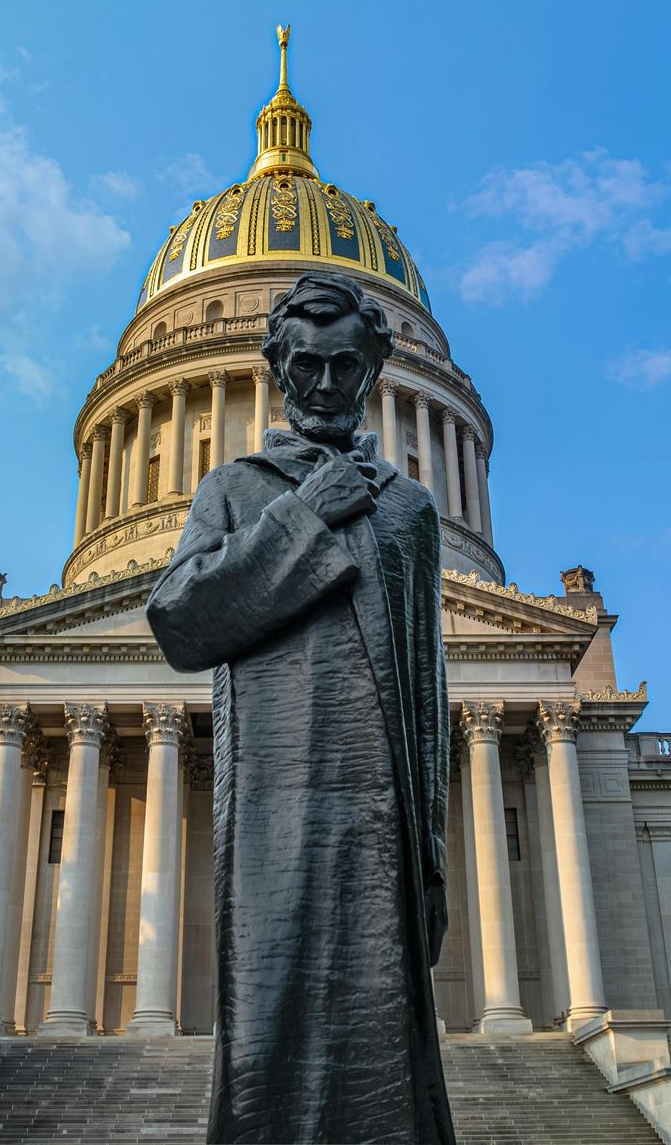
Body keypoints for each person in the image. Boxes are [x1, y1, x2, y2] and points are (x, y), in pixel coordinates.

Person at [147, 271, 456, 1145]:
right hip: (275, 801)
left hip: (380, 816)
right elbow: (180, 619)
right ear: (277, 371)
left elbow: (427, 692)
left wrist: (431, 853)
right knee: (271, 1020)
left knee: (384, 1048)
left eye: (345, 366)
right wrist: (304, 518)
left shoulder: (411, 512)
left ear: (374, 372)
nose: (325, 386)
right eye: (308, 366)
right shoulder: (237, 490)